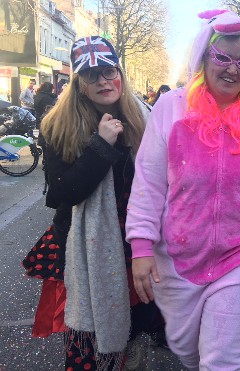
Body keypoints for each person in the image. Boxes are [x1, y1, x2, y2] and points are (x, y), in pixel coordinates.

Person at [125, 10, 240, 370]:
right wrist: (141, 246)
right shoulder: (171, 108)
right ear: (203, 57)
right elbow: (149, 183)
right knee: (188, 351)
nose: (232, 69)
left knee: (222, 361)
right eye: (222, 57)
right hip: (177, 261)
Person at [22, 35, 151, 370]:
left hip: (134, 246)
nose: (104, 81)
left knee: (134, 338)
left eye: (109, 71)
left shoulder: (145, 119)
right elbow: (60, 193)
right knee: (86, 345)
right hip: (85, 251)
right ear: (79, 84)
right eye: (92, 75)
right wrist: (101, 146)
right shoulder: (57, 126)